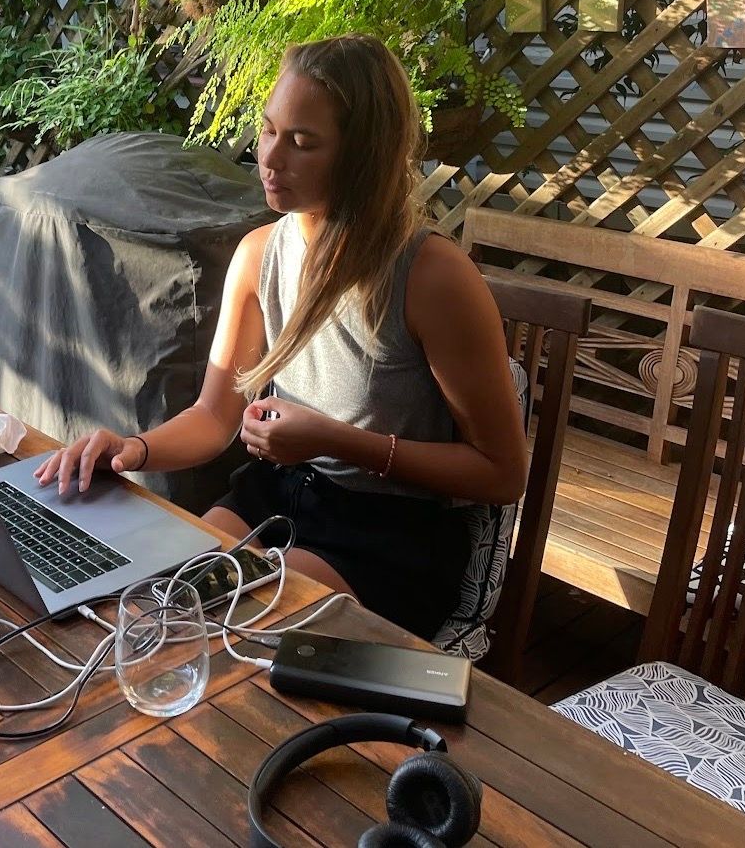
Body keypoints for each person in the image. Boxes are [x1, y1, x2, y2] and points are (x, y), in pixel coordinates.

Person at [33, 34, 528, 640]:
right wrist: (132, 450)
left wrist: (336, 441)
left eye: (302, 142)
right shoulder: (260, 254)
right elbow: (215, 416)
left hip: (386, 535)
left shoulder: (432, 277)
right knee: (151, 604)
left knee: (234, 634)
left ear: (362, 155)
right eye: (270, 130)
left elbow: (502, 474)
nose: (271, 158)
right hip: (274, 496)